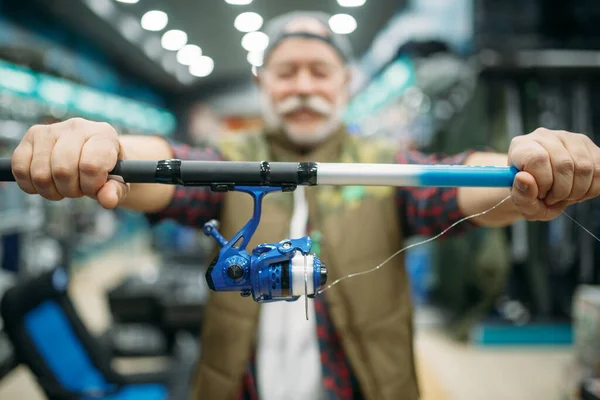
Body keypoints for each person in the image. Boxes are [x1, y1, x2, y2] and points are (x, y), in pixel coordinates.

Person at [8, 11, 600, 400]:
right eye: (287, 73)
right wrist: (102, 145)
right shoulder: (229, 158)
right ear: (264, 86)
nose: (304, 86)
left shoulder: (385, 163)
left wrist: (526, 175)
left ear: (344, 84)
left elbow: (462, 183)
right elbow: (162, 165)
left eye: (320, 72)